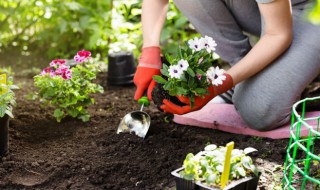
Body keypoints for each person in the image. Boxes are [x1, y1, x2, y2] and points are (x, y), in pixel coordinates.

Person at [133, 0, 320, 131]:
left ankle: (283, 77)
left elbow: (278, 34)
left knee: (258, 111)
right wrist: (149, 52)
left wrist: (220, 85)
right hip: (270, 11)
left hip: (312, 13)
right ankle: (246, 74)